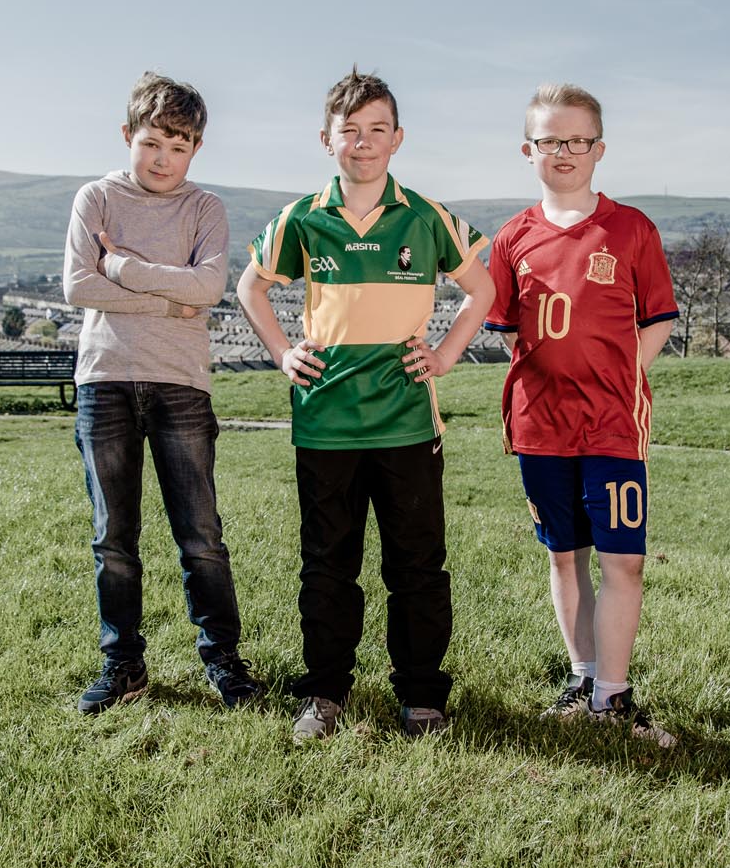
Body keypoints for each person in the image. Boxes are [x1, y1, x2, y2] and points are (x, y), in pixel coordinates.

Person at [236, 68, 494, 741]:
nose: (363, 142)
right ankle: (324, 693)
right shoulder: (302, 217)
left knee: (416, 562)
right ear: (327, 140)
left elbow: (483, 291)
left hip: (407, 417)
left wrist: (444, 354)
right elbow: (249, 288)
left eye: (377, 129)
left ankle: (421, 695)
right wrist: (283, 352)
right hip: (325, 422)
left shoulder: (428, 216)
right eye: (349, 131)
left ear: (397, 138)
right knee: (328, 563)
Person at [481, 83, 679, 746]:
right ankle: (583, 676)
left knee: (622, 560)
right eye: (549, 141)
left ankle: (614, 696)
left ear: (598, 149)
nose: (563, 151)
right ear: (527, 150)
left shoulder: (631, 229)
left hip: (614, 426)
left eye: (576, 140)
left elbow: (656, 321)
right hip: (542, 425)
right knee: (565, 556)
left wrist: (618, 376)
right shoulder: (512, 237)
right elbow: (509, 328)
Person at [63, 71, 264, 714]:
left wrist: (120, 266)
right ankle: (122, 665)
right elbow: (77, 288)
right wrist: (167, 295)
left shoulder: (205, 209)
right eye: (152, 143)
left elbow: (206, 291)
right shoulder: (95, 199)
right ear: (128, 135)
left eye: (178, 148)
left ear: (195, 149)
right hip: (106, 380)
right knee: (112, 536)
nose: (162, 159)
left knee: (200, 532)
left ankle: (223, 660)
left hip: (181, 385)